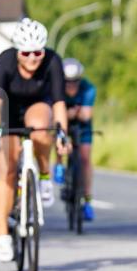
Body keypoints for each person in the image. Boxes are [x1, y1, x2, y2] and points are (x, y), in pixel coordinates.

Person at [0, 18, 69, 262]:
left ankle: (43, 176)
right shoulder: (4, 62)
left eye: (37, 52)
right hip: (8, 111)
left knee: (42, 127)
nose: (33, 58)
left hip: (37, 107)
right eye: (26, 52)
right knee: (7, 170)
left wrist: (63, 134)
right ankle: (2, 234)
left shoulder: (52, 61)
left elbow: (60, 104)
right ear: (17, 51)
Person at [53, 57, 97, 221]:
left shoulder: (88, 89)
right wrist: (70, 113)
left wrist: (69, 113)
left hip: (82, 127)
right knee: (57, 137)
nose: (71, 85)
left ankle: (87, 200)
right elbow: (55, 115)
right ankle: (59, 165)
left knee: (85, 158)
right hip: (62, 126)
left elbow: (86, 115)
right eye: (67, 82)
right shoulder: (56, 87)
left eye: (75, 81)